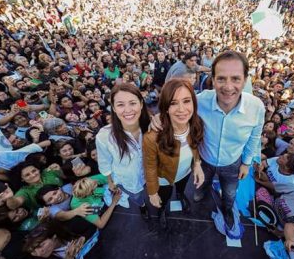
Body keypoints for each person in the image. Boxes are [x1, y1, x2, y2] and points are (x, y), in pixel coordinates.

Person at [153, 51, 265, 229]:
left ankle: (227, 211)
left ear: (245, 79)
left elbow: (255, 137)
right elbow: (177, 105)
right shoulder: (200, 101)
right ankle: (200, 195)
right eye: (221, 79)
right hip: (204, 160)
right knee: (199, 189)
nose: (228, 87)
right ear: (212, 80)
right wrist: (159, 116)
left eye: (235, 79)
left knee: (229, 195)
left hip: (232, 163)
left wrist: (246, 163)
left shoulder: (256, 107)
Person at [143, 79, 205, 228]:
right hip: (165, 178)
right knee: (164, 196)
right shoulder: (152, 137)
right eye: (173, 103)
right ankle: (162, 210)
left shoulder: (196, 124)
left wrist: (197, 165)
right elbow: (150, 166)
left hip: (185, 172)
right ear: (165, 107)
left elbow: (195, 146)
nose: (182, 109)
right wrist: (152, 193)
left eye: (186, 101)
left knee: (181, 188)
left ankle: (180, 195)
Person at [96, 83, 151, 220]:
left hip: (152, 173)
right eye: (120, 105)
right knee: (137, 196)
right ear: (113, 108)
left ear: (141, 104)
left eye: (132, 103)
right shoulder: (104, 136)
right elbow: (104, 162)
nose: (127, 110)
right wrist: (110, 181)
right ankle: (142, 206)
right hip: (129, 179)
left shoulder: (152, 126)